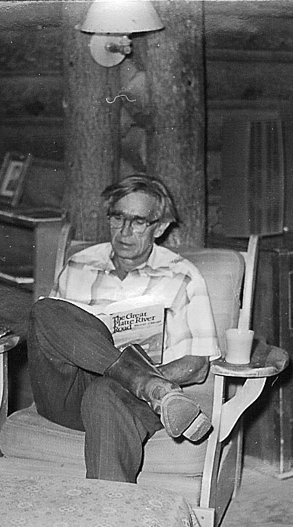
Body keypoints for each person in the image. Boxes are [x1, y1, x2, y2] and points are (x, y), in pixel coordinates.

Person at [27, 174, 221, 483]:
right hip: (67, 392)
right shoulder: (79, 263)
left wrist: (127, 382)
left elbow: (197, 367)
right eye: (118, 217)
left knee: (105, 392)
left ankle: (107, 519)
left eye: (139, 221)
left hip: (127, 400)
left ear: (160, 227)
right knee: (44, 310)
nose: (125, 231)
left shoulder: (182, 277)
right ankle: (150, 385)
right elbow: (51, 333)